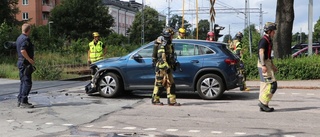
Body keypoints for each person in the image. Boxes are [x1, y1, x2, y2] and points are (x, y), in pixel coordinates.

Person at [152, 27, 180, 106]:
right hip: (162, 68)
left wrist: (173, 64)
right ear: (168, 35)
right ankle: (155, 100)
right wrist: (166, 68)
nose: (172, 37)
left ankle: (172, 101)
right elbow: (162, 58)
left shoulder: (169, 44)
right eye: (171, 35)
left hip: (167, 66)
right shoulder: (162, 44)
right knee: (159, 84)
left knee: (171, 84)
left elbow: (170, 56)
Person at [257, 22, 278, 112]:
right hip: (264, 63)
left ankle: (263, 104)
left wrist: (272, 65)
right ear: (269, 31)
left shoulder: (268, 40)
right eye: (273, 31)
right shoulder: (264, 40)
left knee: (265, 85)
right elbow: (261, 52)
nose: (274, 33)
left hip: (267, 63)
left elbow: (268, 55)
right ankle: (263, 103)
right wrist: (263, 65)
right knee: (272, 85)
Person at [16, 23, 35, 108]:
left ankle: (20, 100)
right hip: (25, 63)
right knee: (27, 82)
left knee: (23, 81)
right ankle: (24, 100)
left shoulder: (19, 38)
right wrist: (29, 59)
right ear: (29, 30)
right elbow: (23, 50)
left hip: (20, 62)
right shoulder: (25, 39)